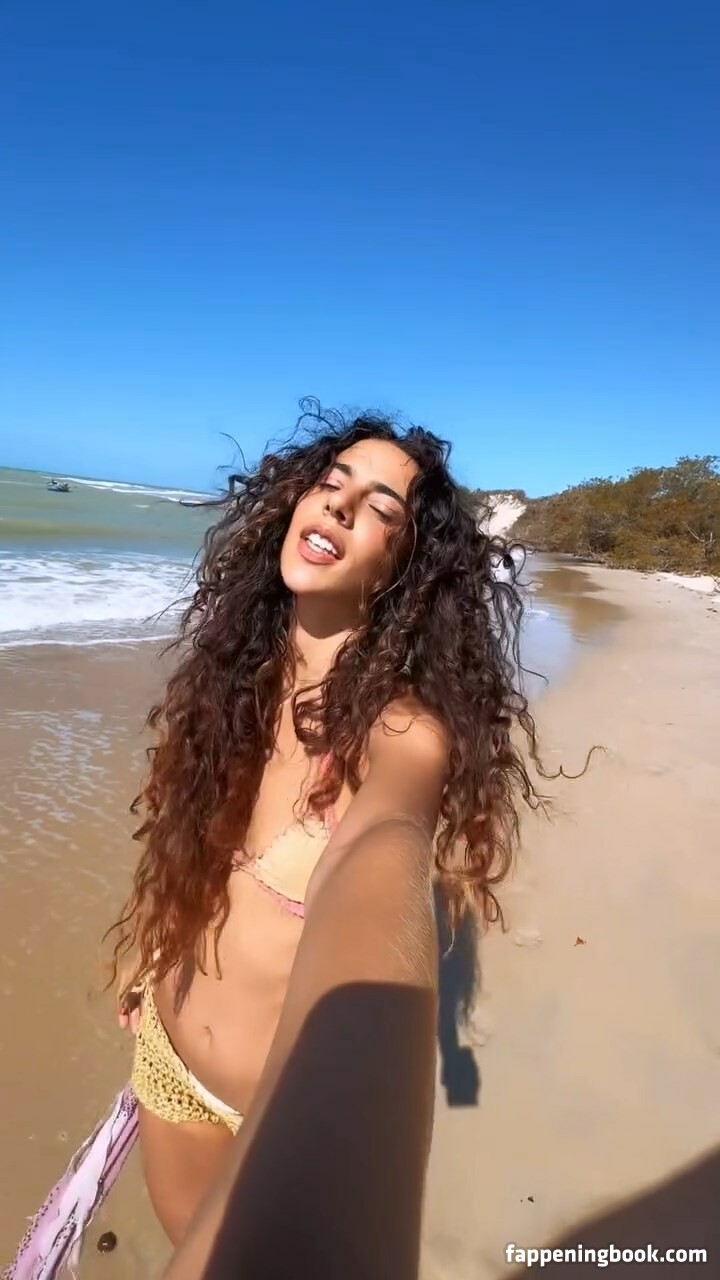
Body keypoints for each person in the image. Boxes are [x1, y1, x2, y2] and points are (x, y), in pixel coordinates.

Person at [5, 402, 541, 1276]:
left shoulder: (402, 733)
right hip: (167, 1066)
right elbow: (187, 843)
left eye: (380, 508)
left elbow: (382, 847)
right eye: (332, 483)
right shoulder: (232, 681)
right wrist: (154, 949)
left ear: (405, 565)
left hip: (271, 1119)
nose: (339, 505)